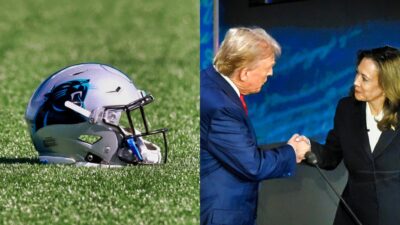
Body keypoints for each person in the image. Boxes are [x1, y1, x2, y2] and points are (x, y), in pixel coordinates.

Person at [200, 27, 310, 225]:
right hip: (221, 214)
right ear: (244, 73)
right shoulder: (222, 108)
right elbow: (253, 165)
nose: (270, 73)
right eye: (267, 68)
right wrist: (292, 152)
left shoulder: (209, 82)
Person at [308, 46, 400, 225]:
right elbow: (330, 156)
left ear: (387, 84)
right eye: (357, 74)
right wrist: (306, 148)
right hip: (353, 215)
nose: (355, 82)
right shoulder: (347, 109)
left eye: (364, 79)